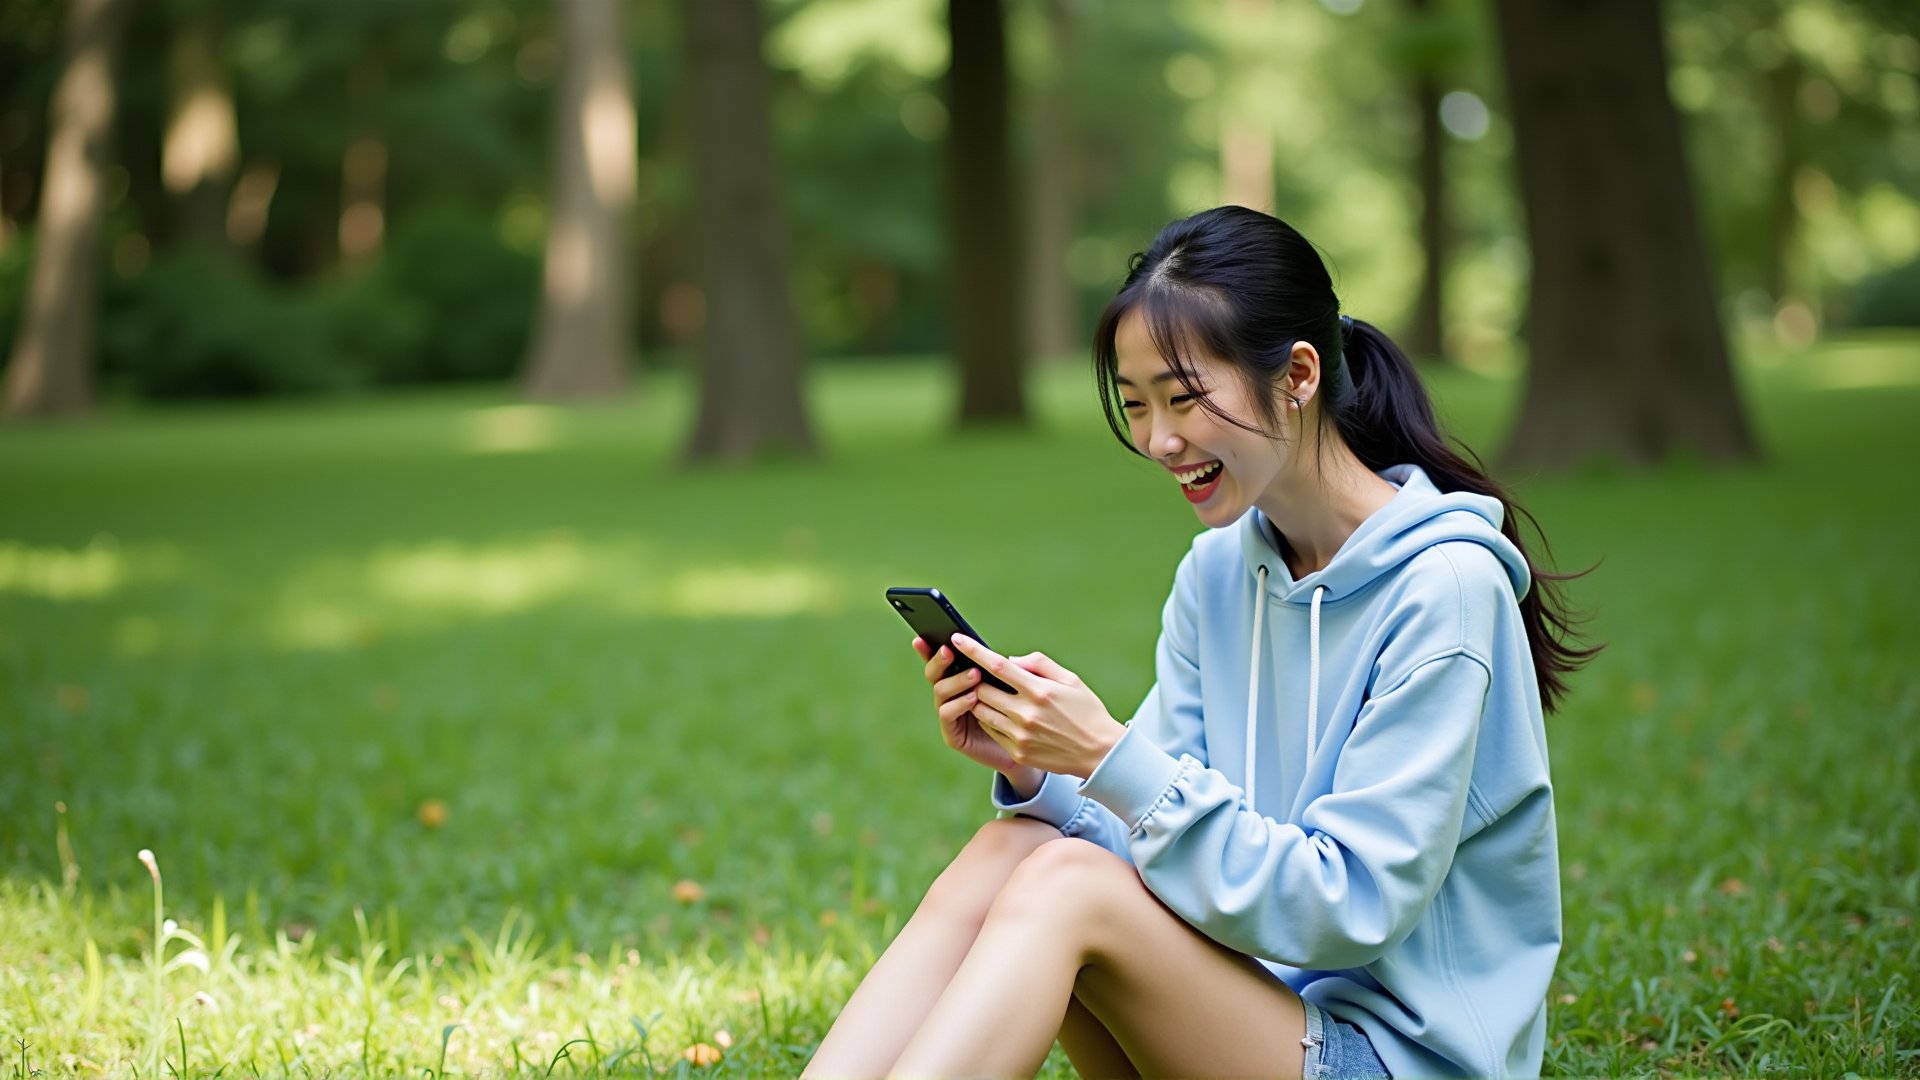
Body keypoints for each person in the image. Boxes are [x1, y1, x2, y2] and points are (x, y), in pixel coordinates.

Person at [802, 205, 1596, 1079]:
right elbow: (1142, 831)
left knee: (1068, 889)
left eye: (1183, 400)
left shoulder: (1444, 589)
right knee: (1018, 848)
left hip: (1393, 1059)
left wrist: (1108, 752)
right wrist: (1041, 770)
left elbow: (1351, 906)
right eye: (1137, 406)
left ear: (1297, 374)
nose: (1158, 440)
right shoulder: (1219, 575)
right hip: (1250, 1013)